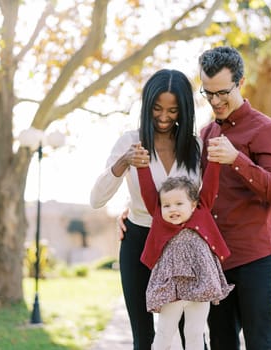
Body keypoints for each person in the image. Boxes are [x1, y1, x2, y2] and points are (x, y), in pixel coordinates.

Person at [90, 68, 201, 350]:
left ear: (184, 110)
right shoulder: (130, 142)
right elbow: (97, 199)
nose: (164, 117)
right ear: (147, 105)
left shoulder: (195, 147)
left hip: (183, 246)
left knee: (189, 335)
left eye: (173, 110)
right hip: (139, 242)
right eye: (157, 108)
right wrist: (123, 162)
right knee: (144, 337)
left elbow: (204, 201)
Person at [198, 46, 271, 349]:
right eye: (207, 93)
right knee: (221, 343)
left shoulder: (267, 130)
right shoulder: (205, 134)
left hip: (256, 256)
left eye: (222, 92)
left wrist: (237, 159)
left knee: (261, 342)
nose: (215, 101)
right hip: (215, 260)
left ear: (241, 82)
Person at [135, 139, 233, 350]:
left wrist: (214, 161)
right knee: (164, 332)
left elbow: (211, 183)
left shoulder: (202, 211)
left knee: (195, 333)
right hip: (173, 287)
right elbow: (147, 191)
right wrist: (142, 166)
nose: (172, 209)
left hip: (201, 283)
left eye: (179, 203)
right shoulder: (160, 220)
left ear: (194, 204)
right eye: (167, 205)